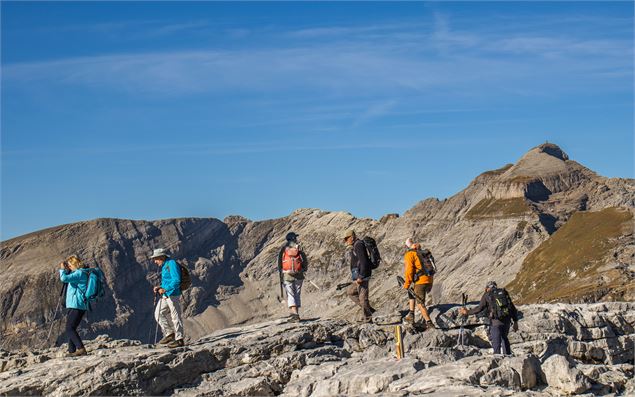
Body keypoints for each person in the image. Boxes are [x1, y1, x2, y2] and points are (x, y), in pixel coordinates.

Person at [459, 281, 519, 355]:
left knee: (496, 341)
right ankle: (509, 358)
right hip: (507, 320)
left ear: (487, 288)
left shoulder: (487, 294)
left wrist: (467, 312)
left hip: (495, 322)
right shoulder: (503, 292)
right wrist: (515, 322)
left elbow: (479, 308)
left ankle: (498, 359)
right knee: (505, 339)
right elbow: (512, 307)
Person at [150, 248, 185, 348]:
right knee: (158, 314)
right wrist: (160, 287)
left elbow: (176, 280)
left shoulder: (171, 264)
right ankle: (170, 334)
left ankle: (179, 339)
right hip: (166, 294)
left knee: (175, 316)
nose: (155, 261)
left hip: (173, 294)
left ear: (161, 257)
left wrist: (165, 289)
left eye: (156, 259)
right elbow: (168, 280)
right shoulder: (165, 265)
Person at [58, 255, 89, 357]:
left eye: (70, 265)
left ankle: (81, 349)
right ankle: (72, 351)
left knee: (69, 328)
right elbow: (68, 278)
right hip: (77, 304)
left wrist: (62, 269)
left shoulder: (79, 273)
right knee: (72, 327)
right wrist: (67, 270)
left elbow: (64, 278)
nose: (69, 267)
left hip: (77, 304)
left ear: (74, 264)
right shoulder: (79, 273)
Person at [402, 238, 434, 329]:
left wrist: (407, 284)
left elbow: (409, 271)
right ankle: (411, 315)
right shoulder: (423, 252)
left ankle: (429, 323)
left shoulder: (410, 254)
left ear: (407, 246)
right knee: (412, 292)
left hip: (421, 281)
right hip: (429, 278)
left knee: (420, 303)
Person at [343, 230, 374, 323]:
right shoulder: (355, 246)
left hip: (363, 275)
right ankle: (370, 311)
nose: (346, 241)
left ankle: (368, 318)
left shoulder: (358, 245)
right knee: (350, 291)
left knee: (362, 297)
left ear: (351, 237)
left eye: (346, 239)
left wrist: (361, 276)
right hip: (358, 276)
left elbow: (363, 261)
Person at [277, 232, 308, 322]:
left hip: (287, 275)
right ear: (294, 238)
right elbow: (304, 261)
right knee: (297, 294)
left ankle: (294, 315)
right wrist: (303, 269)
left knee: (290, 294)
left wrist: (282, 273)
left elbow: (279, 264)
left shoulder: (283, 250)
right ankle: (295, 314)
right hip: (299, 275)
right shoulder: (299, 249)